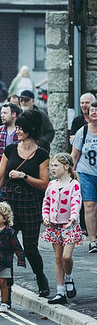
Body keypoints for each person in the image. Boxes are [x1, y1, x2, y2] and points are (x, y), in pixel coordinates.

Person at [0, 110, 51, 297]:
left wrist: (23, 176)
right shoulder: (10, 149)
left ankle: (41, 279)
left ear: (31, 129)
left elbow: (44, 184)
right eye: (16, 127)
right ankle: (7, 286)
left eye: (20, 128)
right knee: (5, 245)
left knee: (31, 248)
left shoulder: (42, 153)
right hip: (8, 202)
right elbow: (0, 177)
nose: (17, 131)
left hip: (30, 204)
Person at [42, 153, 83, 304]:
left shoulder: (74, 185)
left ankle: (69, 278)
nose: (53, 168)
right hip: (54, 226)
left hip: (69, 226)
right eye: (52, 166)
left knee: (66, 257)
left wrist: (73, 217)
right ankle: (60, 292)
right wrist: (45, 217)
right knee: (58, 259)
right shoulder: (52, 185)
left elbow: (76, 202)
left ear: (66, 167)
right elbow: (46, 202)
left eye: (56, 165)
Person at [72, 99, 97, 252]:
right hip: (86, 172)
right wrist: (71, 174)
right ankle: (93, 240)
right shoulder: (83, 131)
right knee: (89, 206)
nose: (94, 113)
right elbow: (74, 155)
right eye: (92, 110)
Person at [0, 103, 20, 189]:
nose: (2, 116)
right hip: (0, 175)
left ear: (13, 114)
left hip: (17, 175)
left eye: (5, 113)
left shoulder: (21, 132)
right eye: (1, 113)